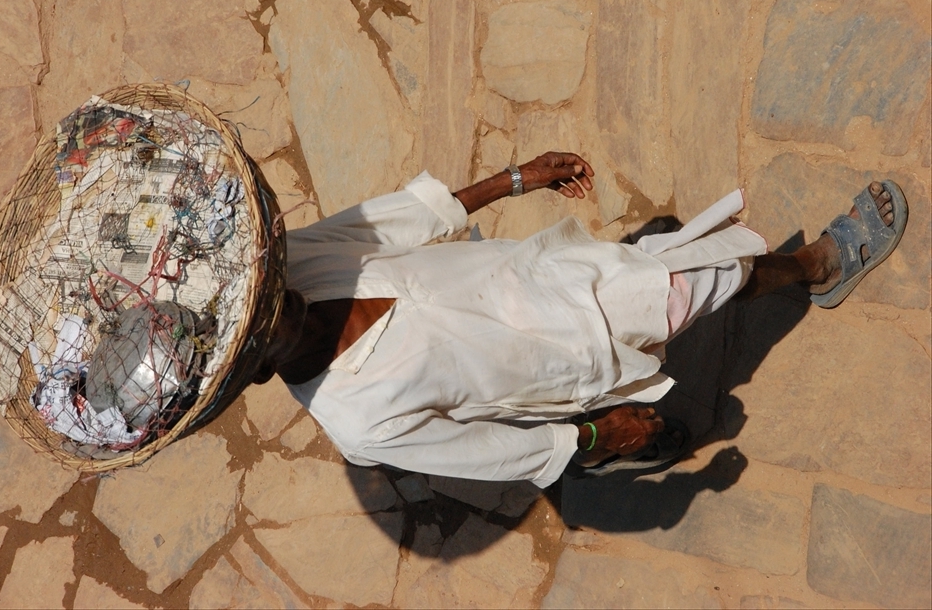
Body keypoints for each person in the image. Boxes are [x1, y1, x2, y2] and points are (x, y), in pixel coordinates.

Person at [253, 152, 907, 487]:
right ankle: (822, 266)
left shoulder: (299, 259)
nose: (282, 295)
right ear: (258, 372)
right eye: (271, 318)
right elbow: (491, 452)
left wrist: (517, 178)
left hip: (543, 276)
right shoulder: (359, 421)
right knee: (675, 304)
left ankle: (814, 268)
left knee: (683, 276)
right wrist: (594, 438)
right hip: (559, 359)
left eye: (270, 288)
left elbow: (408, 216)